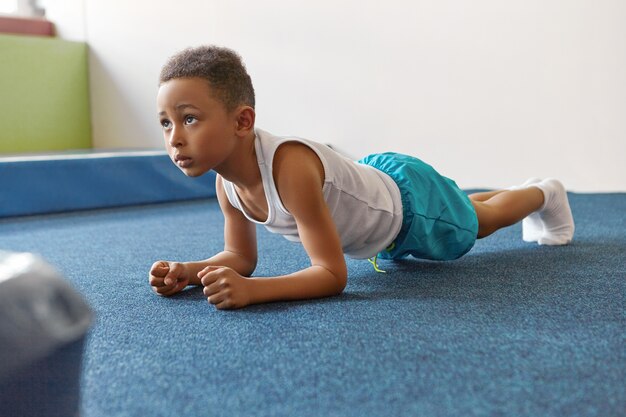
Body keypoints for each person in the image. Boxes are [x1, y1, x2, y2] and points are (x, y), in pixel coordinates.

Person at [149, 45, 575, 310]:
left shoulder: (289, 168)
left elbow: (331, 275)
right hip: (378, 194)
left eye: (189, 119)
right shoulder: (229, 186)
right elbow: (240, 258)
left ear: (243, 121)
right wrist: (190, 271)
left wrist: (252, 291)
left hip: (407, 209)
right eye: (166, 123)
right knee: (466, 206)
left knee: (478, 224)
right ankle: (520, 189)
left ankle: (542, 193)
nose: (175, 139)